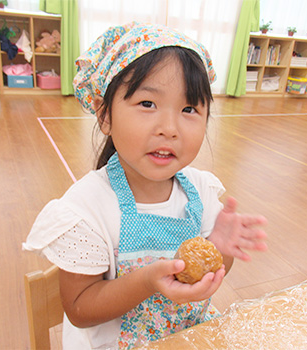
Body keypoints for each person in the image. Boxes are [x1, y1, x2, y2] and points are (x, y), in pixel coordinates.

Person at [23, 21, 268, 350]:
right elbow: (80, 309)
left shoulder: (201, 191)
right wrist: (149, 280)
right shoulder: (88, 208)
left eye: (188, 109)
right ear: (105, 115)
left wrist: (221, 249)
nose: (169, 128)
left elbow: (211, 271)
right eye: (148, 104)